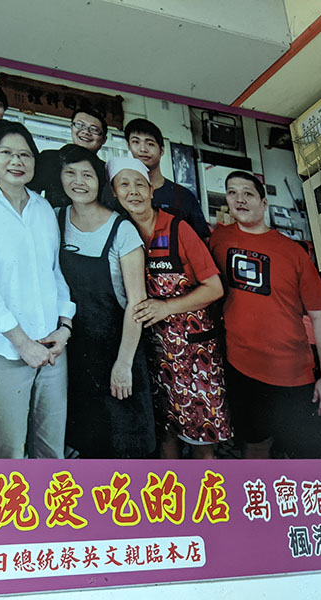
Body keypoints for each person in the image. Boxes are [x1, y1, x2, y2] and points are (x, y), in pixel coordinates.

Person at [0, 120, 76, 459]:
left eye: (25, 154)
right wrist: (21, 342)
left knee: (52, 449)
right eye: (7, 152)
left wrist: (64, 327)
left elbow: (54, 272)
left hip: (51, 345)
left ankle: (52, 513)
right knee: (6, 453)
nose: (17, 161)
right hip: (0, 348)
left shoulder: (42, 208)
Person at [209, 171, 321, 459]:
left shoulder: (293, 253)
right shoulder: (218, 240)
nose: (239, 199)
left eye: (248, 193)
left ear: (264, 202)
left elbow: (320, 317)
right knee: (255, 445)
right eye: (232, 192)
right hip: (241, 367)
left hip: (292, 373)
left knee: (305, 453)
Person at [108, 156, 229, 459]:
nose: (133, 191)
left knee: (203, 443)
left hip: (193, 357)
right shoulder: (120, 234)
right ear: (114, 193)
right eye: (124, 185)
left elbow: (214, 288)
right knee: (165, 437)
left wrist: (166, 308)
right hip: (152, 356)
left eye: (140, 185)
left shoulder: (178, 229)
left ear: (151, 192)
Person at [55, 145, 155, 458]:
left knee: (124, 444)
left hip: (118, 349)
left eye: (87, 174)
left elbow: (137, 304)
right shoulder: (56, 218)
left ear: (100, 181)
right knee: (86, 441)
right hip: (75, 352)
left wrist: (123, 364)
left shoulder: (122, 229)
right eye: (70, 173)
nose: (78, 181)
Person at [124, 118, 210, 239]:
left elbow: (203, 239)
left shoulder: (183, 196)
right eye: (136, 142)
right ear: (128, 146)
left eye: (150, 144)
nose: (143, 149)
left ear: (162, 150)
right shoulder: (122, 195)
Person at [30, 107, 109, 208]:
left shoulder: (106, 170)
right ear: (71, 128)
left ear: (104, 139)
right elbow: (31, 196)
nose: (85, 132)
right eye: (80, 125)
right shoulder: (49, 158)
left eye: (94, 129)